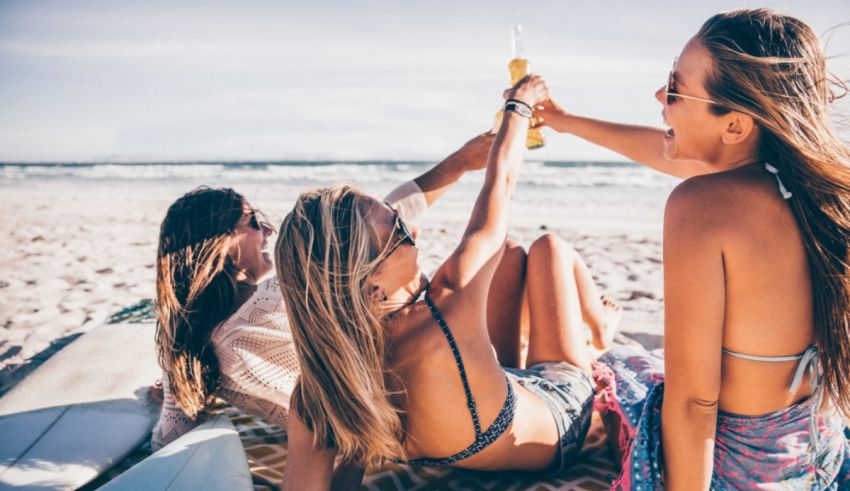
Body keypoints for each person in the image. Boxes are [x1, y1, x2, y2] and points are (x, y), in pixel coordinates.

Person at [536, 8, 850, 489]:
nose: (660, 97)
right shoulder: (816, 192)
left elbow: (693, 403)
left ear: (736, 126)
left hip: (742, 472)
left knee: (619, 370)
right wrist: (564, 121)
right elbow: (664, 148)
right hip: (818, 457)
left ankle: (600, 336)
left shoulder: (702, 205)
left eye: (676, 89)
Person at [276, 75, 622, 490]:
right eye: (400, 233)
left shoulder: (324, 383)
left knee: (509, 255)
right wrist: (520, 105)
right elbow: (502, 184)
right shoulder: (444, 306)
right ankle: (600, 332)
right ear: (371, 288)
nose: (416, 234)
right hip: (557, 418)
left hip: (488, 405)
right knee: (549, 249)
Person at [150, 131, 509, 450]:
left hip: (344, 436)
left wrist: (170, 392)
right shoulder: (277, 303)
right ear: (219, 247)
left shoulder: (187, 343)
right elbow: (370, 228)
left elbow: (168, 436)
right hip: (400, 421)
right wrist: (459, 163)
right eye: (254, 222)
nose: (269, 231)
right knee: (510, 261)